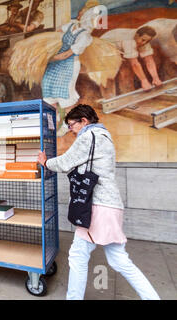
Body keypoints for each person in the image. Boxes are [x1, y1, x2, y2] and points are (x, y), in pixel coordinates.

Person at [37, 104, 160, 300]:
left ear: (84, 121)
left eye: (71, 125)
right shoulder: (105, 137)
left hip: (96, 206)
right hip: (111, 205)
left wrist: (45, 162)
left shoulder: (89, 136)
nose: (71, 130)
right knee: (120, 261)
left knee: (78, 256)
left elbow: (66, 161)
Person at [41, 0, 103, 137]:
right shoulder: (72, 25)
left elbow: (68, 54)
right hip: (54, 65)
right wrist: (49, 48)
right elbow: (56, 35)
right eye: (81, 11)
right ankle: (51, 125)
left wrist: (49, 57)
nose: (80, 13)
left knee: (64, 95)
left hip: (68, 65)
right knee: (49, 93)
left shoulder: (85, 36)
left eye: (84, 12)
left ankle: (66, 126)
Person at [100, 25, 162, 98]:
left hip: (116, 47)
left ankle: (123, 95)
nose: (144, 43)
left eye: (147, 41)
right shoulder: (129, 41)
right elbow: (135, 64)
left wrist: (155, 78)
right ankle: (109, 98)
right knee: (110, 73)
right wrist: (144, 81)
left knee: (125, 68)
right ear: (137, 35)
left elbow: (149, 60)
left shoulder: (143, 40)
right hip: (102, 47)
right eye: (143, 40)